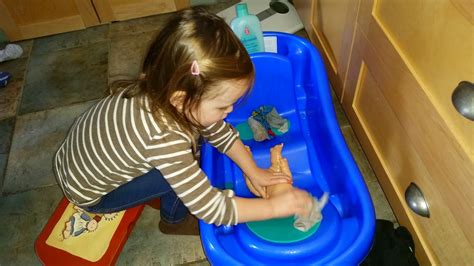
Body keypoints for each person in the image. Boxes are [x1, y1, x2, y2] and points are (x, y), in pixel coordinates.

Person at [53, 7, 313, 235]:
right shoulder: (165, 139)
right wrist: (272, 207)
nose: (230, 110)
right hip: (91, 194)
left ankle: (153, 188)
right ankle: (173, 221)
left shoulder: (160, 89)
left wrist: (252, 170)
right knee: (187, 166)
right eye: (222, 105)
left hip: (70, 159)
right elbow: (209, 207)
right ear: (181, 99)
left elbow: (216, 129)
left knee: (189, 151)